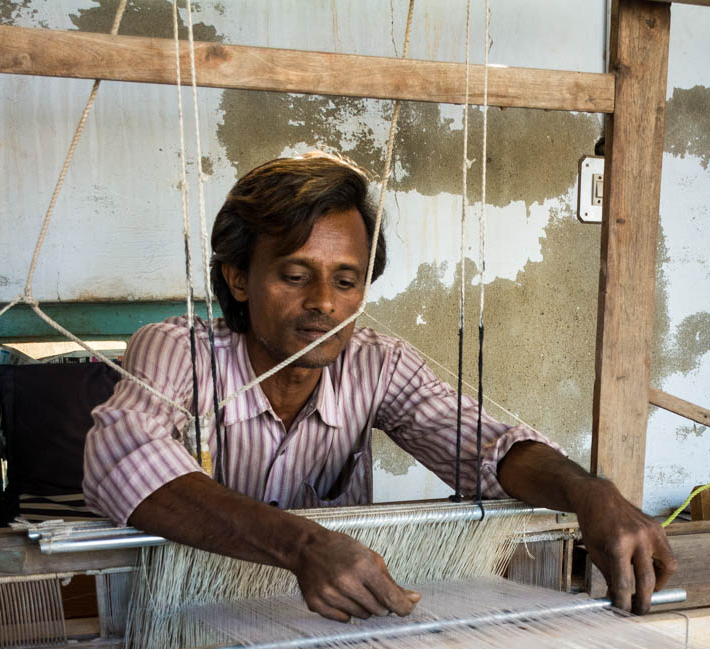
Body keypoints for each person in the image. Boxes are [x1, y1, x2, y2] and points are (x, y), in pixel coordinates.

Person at [83, 152, 674, 622]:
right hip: (186, 629)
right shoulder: (175, 350)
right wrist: (303, 546)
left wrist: (590, 493)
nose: (324, 304)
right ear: (239, 278)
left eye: (346, 281)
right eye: (294, 276)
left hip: (329, 628)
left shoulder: (377, 364)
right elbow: (122, 459)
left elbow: (484, 447)